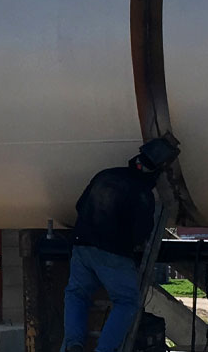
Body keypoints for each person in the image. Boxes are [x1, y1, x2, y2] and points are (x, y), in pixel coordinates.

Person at [62, 138, 178, 352]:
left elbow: (80, 206)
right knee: (127, 301)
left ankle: (73, 344)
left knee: (76, 294)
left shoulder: (105, 175)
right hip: (112, 254)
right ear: (156, 172)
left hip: (81, 246)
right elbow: (141, 233)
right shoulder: (142, 193)